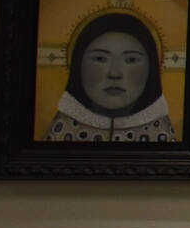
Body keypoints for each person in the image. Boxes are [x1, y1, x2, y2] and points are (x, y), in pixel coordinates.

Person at [44, 11, 176, 142]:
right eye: (100, 58)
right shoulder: (61, 133)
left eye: (130, 60)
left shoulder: (162, 136)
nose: (114, 73)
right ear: (78, 65)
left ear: (151, 69)